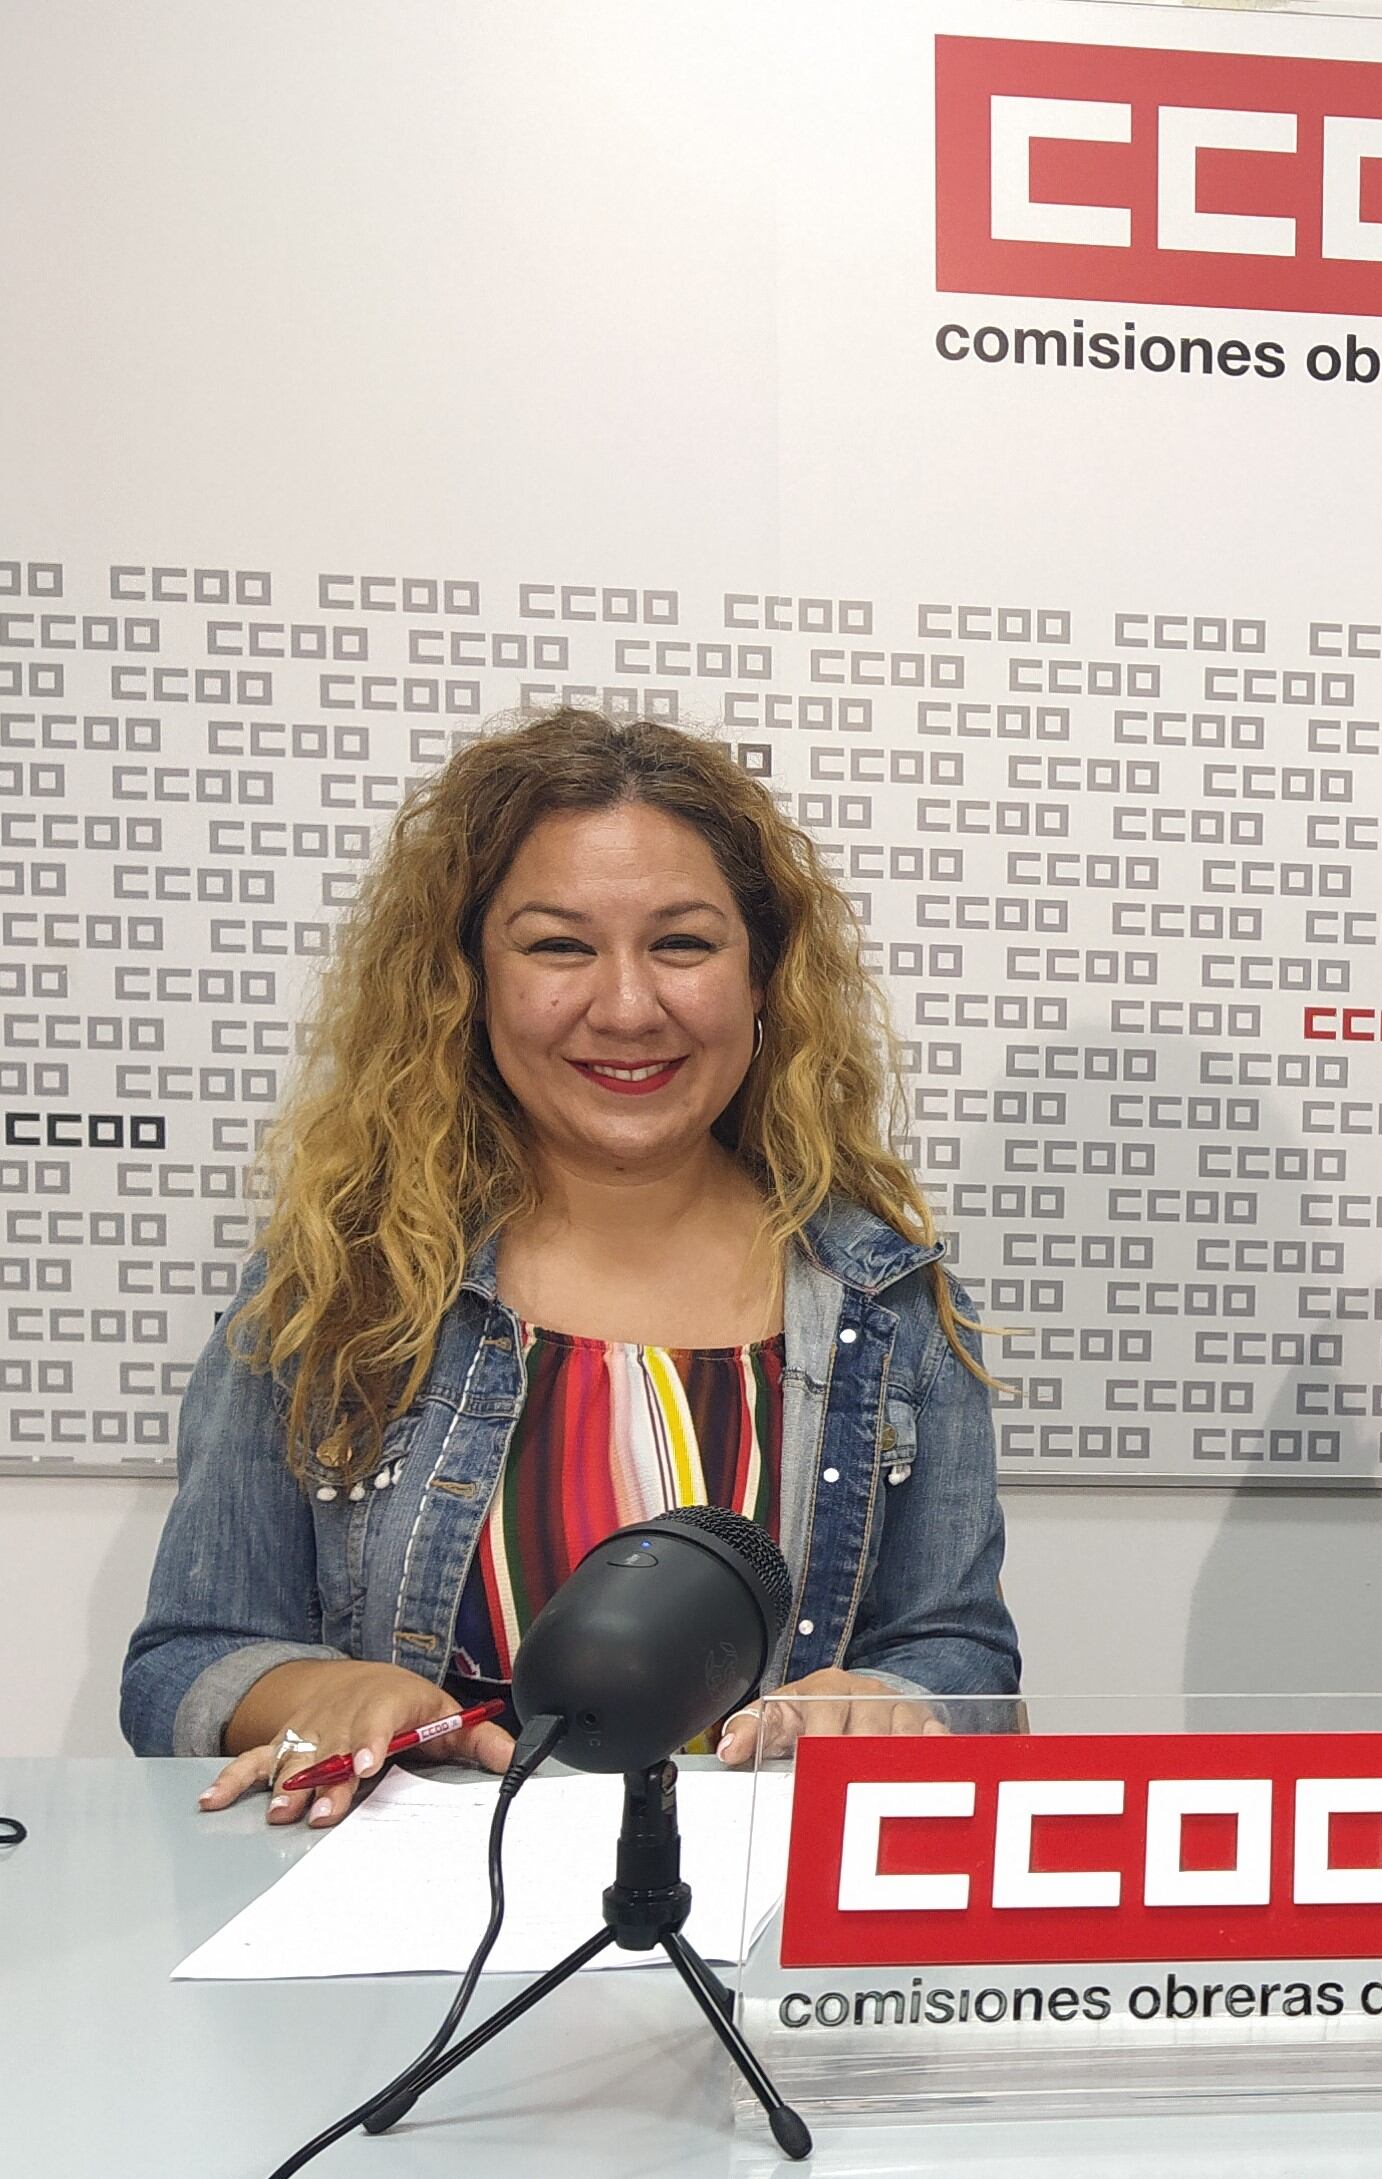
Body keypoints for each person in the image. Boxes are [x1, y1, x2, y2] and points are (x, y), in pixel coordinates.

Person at [123, 709, 1018, 1824]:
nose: (628, 1006)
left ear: (761, 978)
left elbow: (964, 1662)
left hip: (766, 1935)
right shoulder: (335, 1290)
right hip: (413, 1949)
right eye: (558, 945)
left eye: (682, 944)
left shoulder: (891, 1307)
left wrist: (885, 1700)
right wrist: (318, 1689)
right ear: (468, 979)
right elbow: (182, 1661)